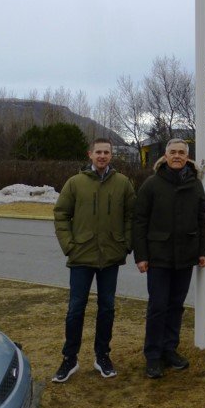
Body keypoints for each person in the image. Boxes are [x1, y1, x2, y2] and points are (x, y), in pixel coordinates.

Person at [52, 138, 136, 382]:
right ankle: (69, 358)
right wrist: (69, 246)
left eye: (106, 152)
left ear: (111, 155)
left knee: (107, 308)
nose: (102, 156)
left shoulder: (123, 183)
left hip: (110, 257)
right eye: (98, 152)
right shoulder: (75, 183)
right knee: (75, 309)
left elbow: (132, 216)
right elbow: (61, 215)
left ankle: (102, 356)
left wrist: (125, 245)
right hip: (81, 256)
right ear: (90, 154)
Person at [134, 138, 205, 379]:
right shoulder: (151, 184)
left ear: (187, 157)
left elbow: (202, 220)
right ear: (165, 156)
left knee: (176, 306)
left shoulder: (195, 185)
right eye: (173, 152)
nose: (177, 156)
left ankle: (169, 350)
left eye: (181, 153)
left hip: (185, 256)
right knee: (158, 306)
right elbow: (139, 222)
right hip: (159, 256)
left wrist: (203, 251)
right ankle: (153, 356)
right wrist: (141, 256)